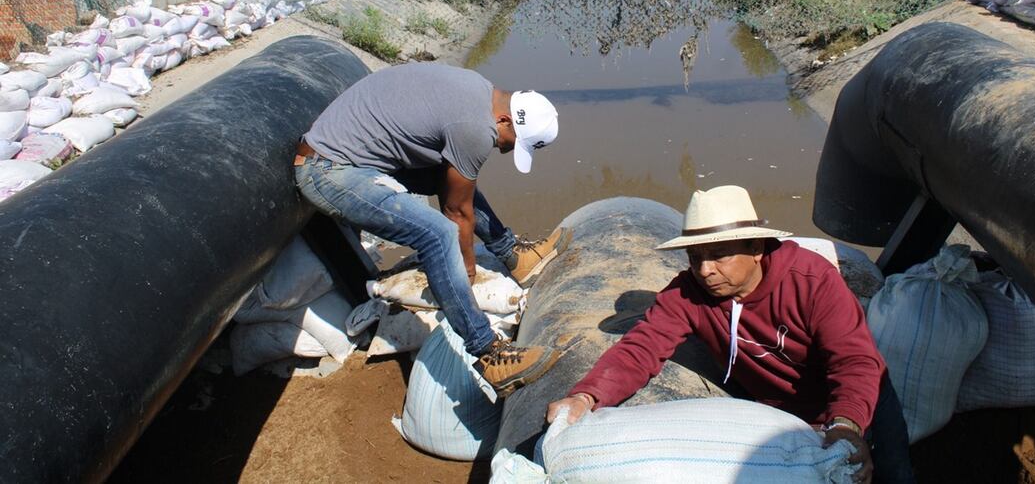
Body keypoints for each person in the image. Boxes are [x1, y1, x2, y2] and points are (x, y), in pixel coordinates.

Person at [546, 186, 915, 484]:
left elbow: (854, 362)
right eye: (694, 257)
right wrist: (585, 396)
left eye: (719, 256)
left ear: (755, 248)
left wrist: (847, 424)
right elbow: (641, 348)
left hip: (851, 402)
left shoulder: (811, 281)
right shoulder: (688, 293)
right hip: (777, 417)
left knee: (891, 471)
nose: (705, 270)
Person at [294, 63, 571, 396]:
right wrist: (467, 271)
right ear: (504, 120)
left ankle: (512, 254)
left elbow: (458, 197)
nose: (507, 149)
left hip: (353, 157)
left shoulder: (482, 91)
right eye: (512, 142)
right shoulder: (475, 127)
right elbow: (456, 213)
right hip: (328, 170)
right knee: (438, 233)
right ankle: (489, 353)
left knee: (452, 181)